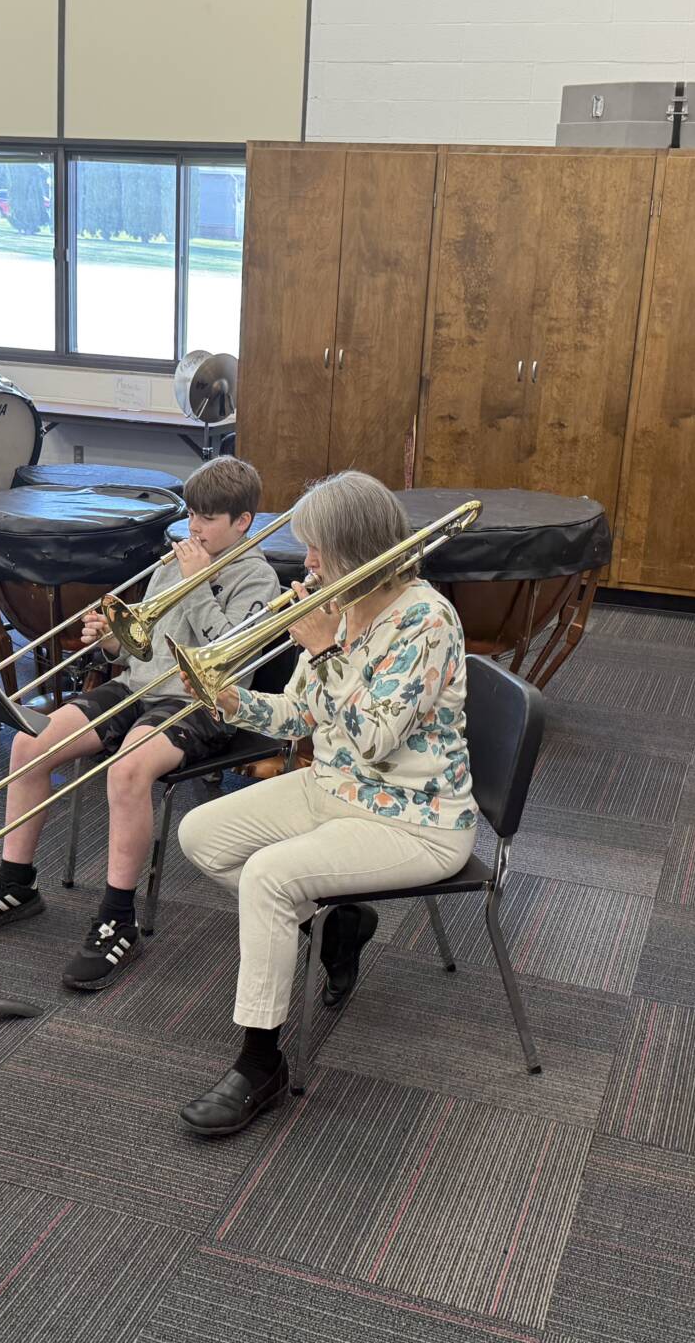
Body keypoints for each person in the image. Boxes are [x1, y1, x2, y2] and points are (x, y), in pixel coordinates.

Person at [174, 471, 475, 1136]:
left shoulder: (426, 619)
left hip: (414, 817)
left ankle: (261, 1064)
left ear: (358, 547)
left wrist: (326, 645)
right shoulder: (342, 603)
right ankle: (334, 928)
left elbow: (371, 738)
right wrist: (229, 701)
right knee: (202, 836)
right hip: (332, 789)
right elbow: (300, 715)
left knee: (270, 877)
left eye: (318, 549)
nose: (306, 562)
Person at [0, 455, 281, 992]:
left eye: (209, 518)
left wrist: (198, 583)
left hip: (202, 701)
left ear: (242, 522)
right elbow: (137, 652)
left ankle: (117, 917)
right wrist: (109, 638)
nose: (193, 527)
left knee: (125, 771)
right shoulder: (176, 561)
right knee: (28, 746)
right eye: (192, 514)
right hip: (137, 686)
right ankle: (16, 882)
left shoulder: (256, 578)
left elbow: (228, 658)